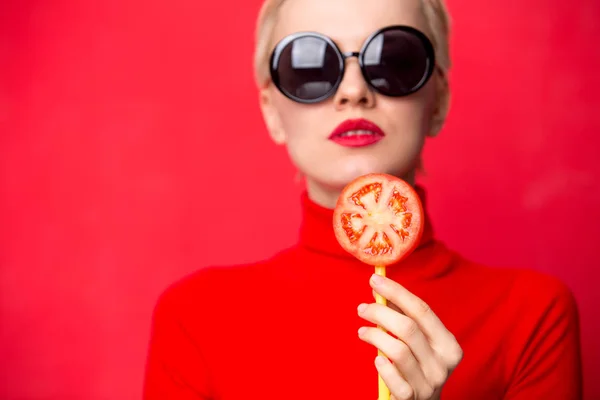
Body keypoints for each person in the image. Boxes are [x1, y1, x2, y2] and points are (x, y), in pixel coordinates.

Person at [142, 0, 583, 398]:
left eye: (393, 59)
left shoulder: (532, 316)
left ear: (438, 101)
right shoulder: (195, 319)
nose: (353, 91)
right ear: (272, 111)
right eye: (311, 67)